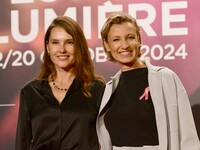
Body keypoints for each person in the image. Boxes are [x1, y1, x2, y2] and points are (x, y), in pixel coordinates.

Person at [96, 12, 200, 150]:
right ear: (107, 45)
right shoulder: (109, 89)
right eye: (116, 39)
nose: (124, 45)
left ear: (139, 40)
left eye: (130, 37)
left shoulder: (166, 78)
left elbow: (188, 138)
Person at [15, 16, 105, 150]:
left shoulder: (97, 89)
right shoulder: (30, 92)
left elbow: (109, 139)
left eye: (69, 42)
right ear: (48, 47)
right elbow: (22, 144)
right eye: (55, 42)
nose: (61, 49)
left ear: (79, 46)